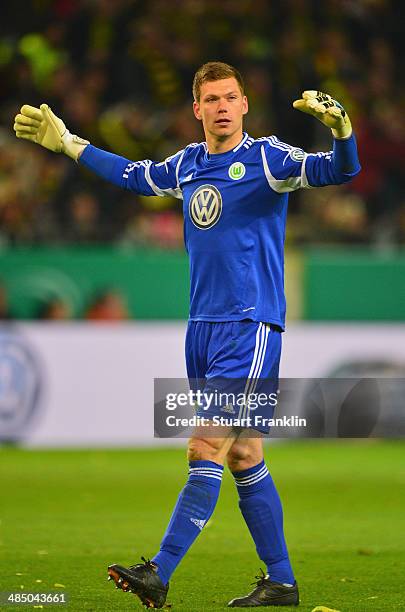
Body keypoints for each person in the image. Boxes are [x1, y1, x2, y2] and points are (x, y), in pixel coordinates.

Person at [13, 61, 360, 609]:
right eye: (211, 99)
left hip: (250, 324)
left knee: (205, 444)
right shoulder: (188, 165)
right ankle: (282, 582)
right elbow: (132, 176)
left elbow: (340, 172)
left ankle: (160, 569)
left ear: (244, 104)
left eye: (230, 97)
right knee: (244, 454)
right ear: (196, 109)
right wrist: (71, 144)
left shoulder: (270, 158)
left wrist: (341, 129)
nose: (222, 106)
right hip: (201, 327)